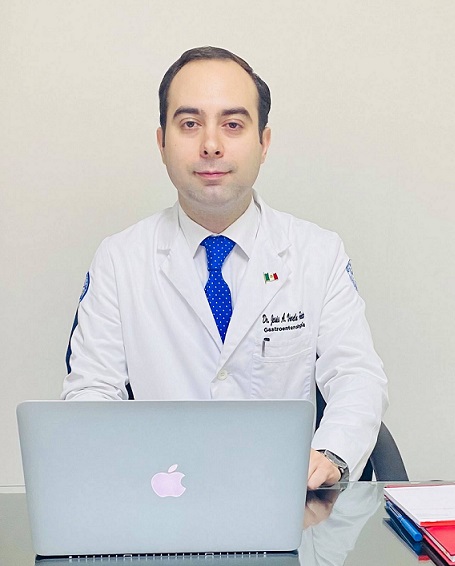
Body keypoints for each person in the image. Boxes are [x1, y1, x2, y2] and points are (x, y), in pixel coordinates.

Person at [62, 46, 388, 490]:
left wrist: (331, 455)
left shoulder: (317, 253)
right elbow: (90, 392)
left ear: (263, 143)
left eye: (233, 125)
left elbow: (356, 375)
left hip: (285, 497)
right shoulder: (120, 260)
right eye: (189, 124)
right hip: (163, 495)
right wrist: (127, 471)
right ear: (161, 142)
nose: (211, 145)